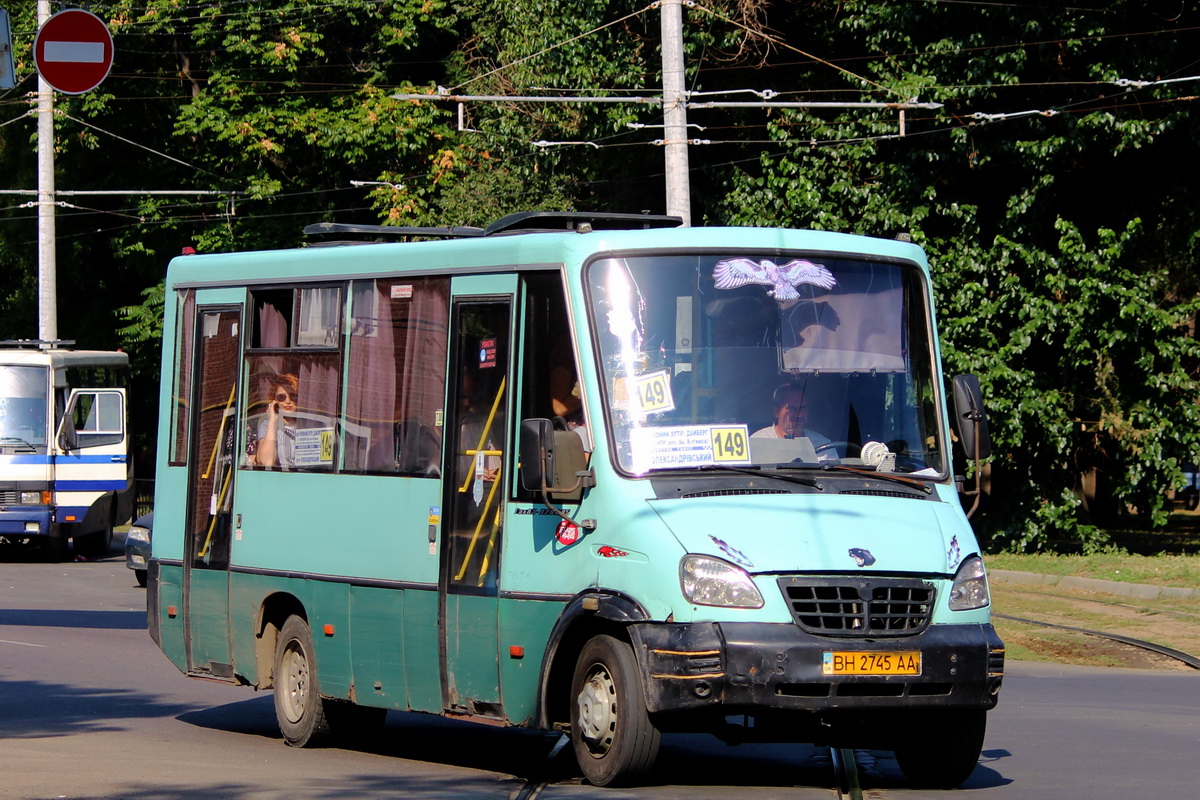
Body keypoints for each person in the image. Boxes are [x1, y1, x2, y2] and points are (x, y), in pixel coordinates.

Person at [751, 383, 835, 455]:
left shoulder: (823, 445)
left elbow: (834, 473)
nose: (799, 415)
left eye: (803, 408)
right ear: (776, 411)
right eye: (791, 408)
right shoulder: (757, 443)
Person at [248, 373, 300, 469]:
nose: (287, 401)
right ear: (274, 400)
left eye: (292, 396)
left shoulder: (306, 425)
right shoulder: (267, 424)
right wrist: (272, 420)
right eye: (281, 397)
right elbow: (267, 461)